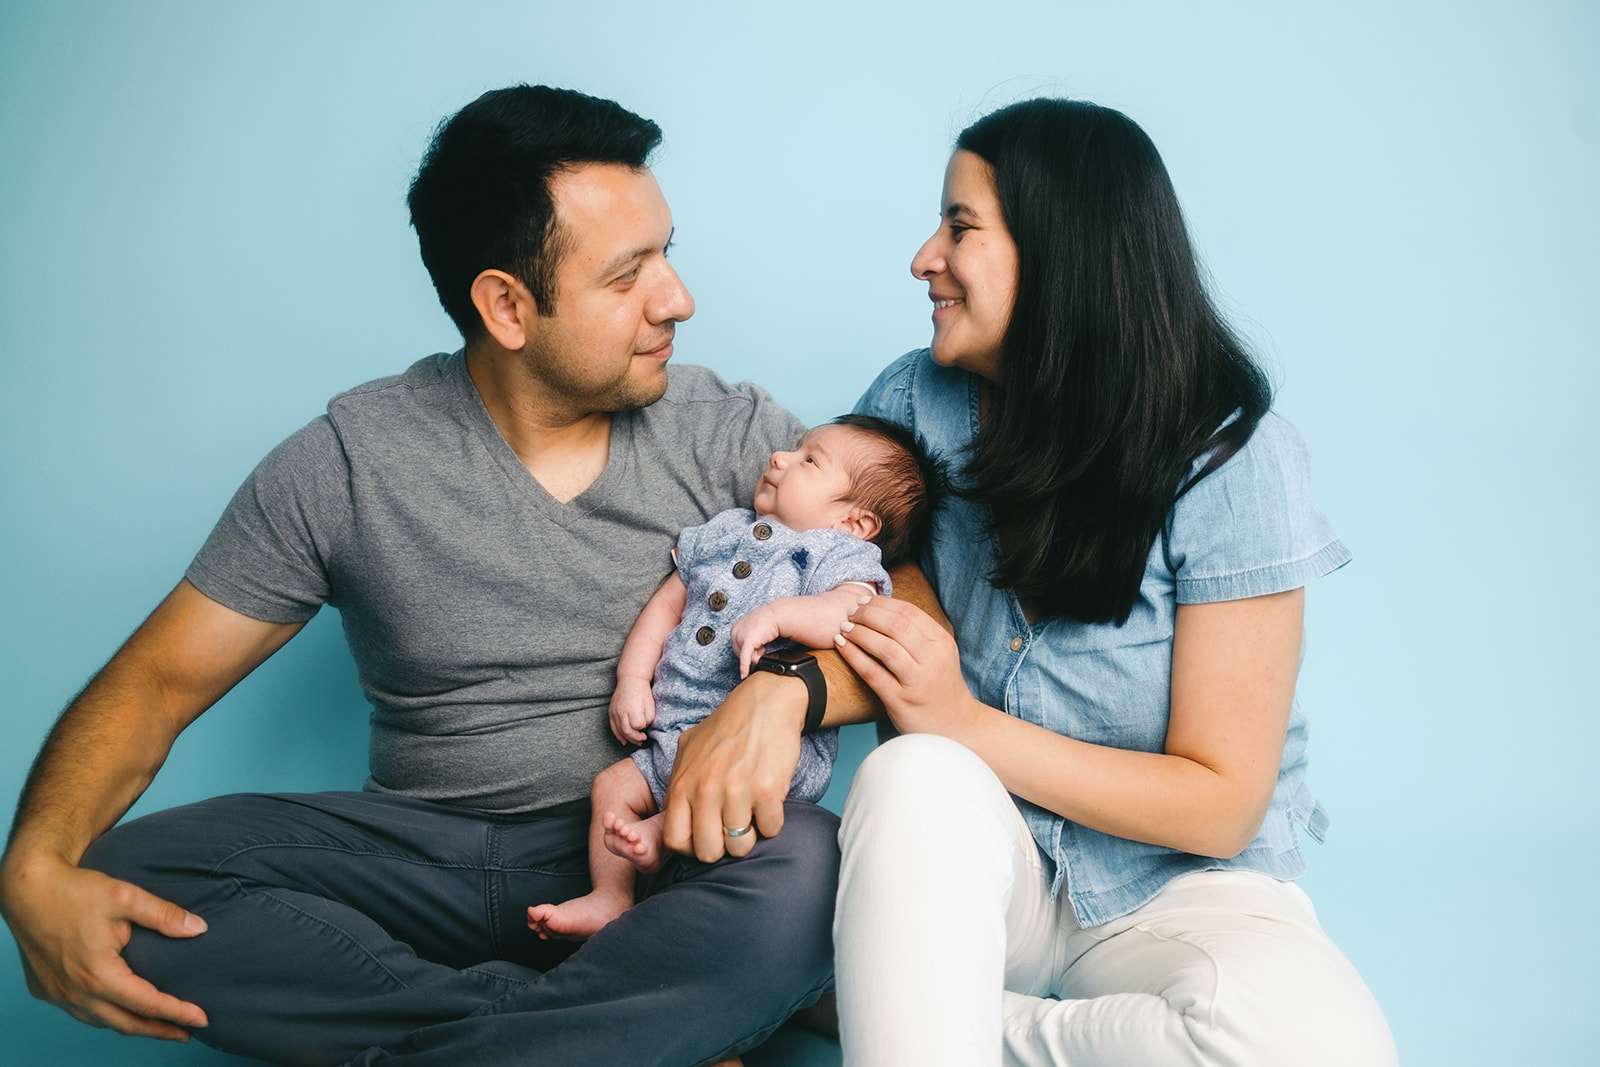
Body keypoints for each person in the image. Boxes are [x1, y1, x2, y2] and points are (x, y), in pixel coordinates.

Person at [0, 85, 924, 1067]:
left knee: (812, 863)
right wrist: (28, 867)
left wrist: (784, 693)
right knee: (118, 876)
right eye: (627, 275)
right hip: (414, 854)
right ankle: (607, 1029)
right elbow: (153, 683)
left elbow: (906, 627)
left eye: (667, 250)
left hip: (645, 848)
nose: (677, 298)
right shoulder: (345, 460)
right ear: (506, 305)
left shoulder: (736, 436)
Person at [830, 98, 1399, 1066]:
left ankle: (920, 1017)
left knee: (1322, 1051)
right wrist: (775, 698)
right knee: (915, 772)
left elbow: (1217, 801)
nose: (924, 256)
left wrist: (962, 720)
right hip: (976, 866)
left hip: (1173, 884)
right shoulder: (911, 401)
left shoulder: (1233, 460)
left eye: (960, 225)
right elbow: (831, 569)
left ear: (1062, 254)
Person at [529, 415, 942, 942]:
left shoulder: (837, 556)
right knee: (610, 786)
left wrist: (777, 617)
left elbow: (851, 612)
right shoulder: (726, 531)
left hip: (764, 752)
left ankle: (661, 831)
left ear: (855, 524)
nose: (780, 458)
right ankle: (610, 896)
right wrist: (632, 680)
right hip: (672, 735)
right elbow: (666, 605)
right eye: (794, 450)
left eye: (808, 460)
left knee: (703, 798)